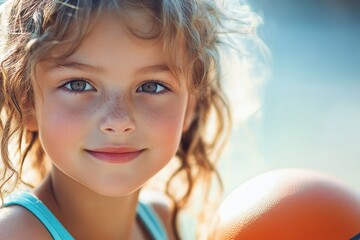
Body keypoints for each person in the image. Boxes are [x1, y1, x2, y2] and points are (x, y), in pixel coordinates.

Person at [0, 0, 262, 239]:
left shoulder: (164, 223)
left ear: (191, 106)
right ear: (26, 101)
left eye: (152, 87)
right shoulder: (15, 233)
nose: (118, 121)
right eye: (78, 84)